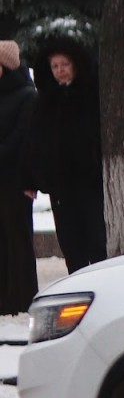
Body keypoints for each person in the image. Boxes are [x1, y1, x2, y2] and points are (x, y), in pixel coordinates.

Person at [30, 37, 107, 270]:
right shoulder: (45, 101)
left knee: (96, 239)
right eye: (55, 66)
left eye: (64, 65)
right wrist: (37, 176)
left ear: (75, 64)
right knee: (71, 242)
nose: (60, 71)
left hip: (89, 180)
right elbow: (35, 141)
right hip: (60, 185)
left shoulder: (91, 95)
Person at [0, 41, 38, 313]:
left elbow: (23, 139)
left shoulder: (26, 95)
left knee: (17, 240)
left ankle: (23, 299)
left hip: (15, 180)